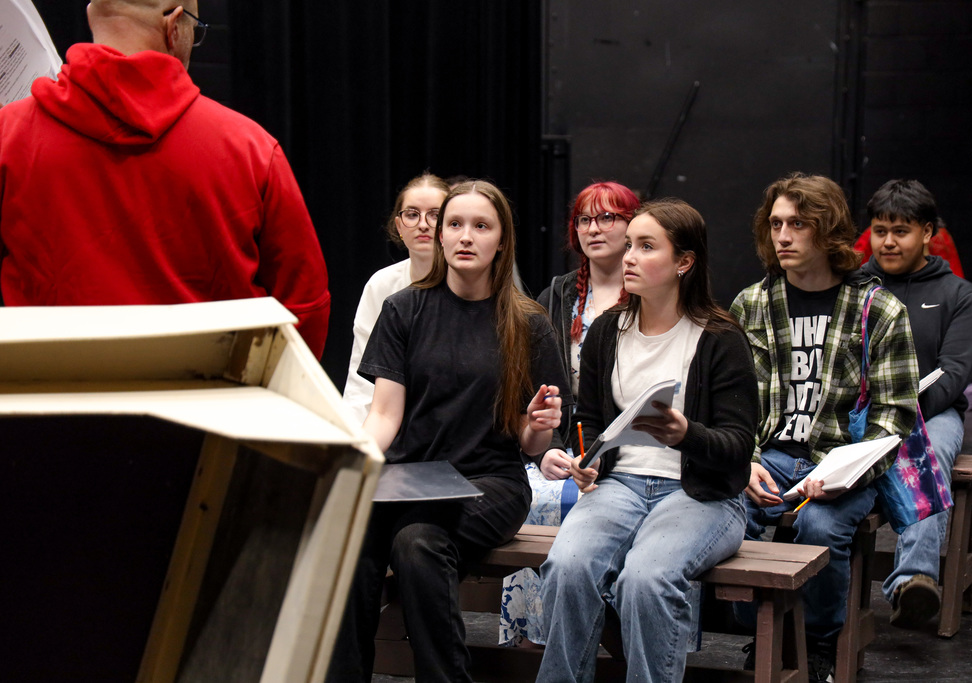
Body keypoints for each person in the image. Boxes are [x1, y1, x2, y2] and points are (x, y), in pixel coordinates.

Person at [327, 180, 569, 682]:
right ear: (439, 236)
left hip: (489, 483)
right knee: (358, 542)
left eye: (481, 226)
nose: (465, 236)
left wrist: (541, 427)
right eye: (454, 224)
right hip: (411, 479)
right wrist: (353, 468)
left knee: (416, 543)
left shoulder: (528, 324)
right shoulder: (403, 310)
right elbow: (385, 416)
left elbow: (530, 443)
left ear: (501, 241)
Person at [0, 0, 330, 357]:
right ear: (175, 26)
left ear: (93, 15)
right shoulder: (252, 149)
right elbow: (304, 308)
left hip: (48, 400)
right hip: (212, 406)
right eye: (195, 30)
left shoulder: (9, 135)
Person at [538, 198, 758, 682]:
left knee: (647, 579)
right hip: (620, 485)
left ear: (684, 262)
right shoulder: (606, 332)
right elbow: (592, 419)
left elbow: (740, 444)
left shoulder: (719, 337)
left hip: (701, 493)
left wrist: (687, 434)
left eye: (646, 246)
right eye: (630, 245)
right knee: (567, 567)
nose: (629, 256)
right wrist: (589, 457)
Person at [730, 173, 918, 682]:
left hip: (844, 458)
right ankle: (763, 629)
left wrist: (841, 473)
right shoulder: (752, 305)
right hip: (768, 453)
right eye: (775, 224)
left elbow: (894, 418)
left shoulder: (877, 309)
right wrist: (743, 460)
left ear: (828, 229)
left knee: (819, 526)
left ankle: (816, 644)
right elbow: (733, 403)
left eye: (798, 224)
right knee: (722, 509)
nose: (783, 236)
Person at [498, 181, 640, 647]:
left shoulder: (651, 292)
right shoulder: (556, 296)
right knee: (537, 498)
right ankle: (536, 641)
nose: (593, 229)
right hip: (563, 442)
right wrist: (547, 452)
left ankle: (615, 637)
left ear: (632, 225)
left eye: (608, 218)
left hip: (631, 446)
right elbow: (531, 390)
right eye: (584, 219)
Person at [862, 179, 972, 627]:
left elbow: (954, 376)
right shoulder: (855, 288)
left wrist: (899, 420)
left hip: (930, 414)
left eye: (901, 231)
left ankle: (913, 580)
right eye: (880, 230)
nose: (889, 241)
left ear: (928, 233)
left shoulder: (960, 296)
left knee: (924, 453)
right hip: (858, 413)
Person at [342, 174, 449, 422]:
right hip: (387, 424)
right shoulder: (381, 285)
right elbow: (361, 377)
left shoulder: (472, 284)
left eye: (435, 214)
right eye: (412, 214)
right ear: (399, 226)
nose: (423, 224)